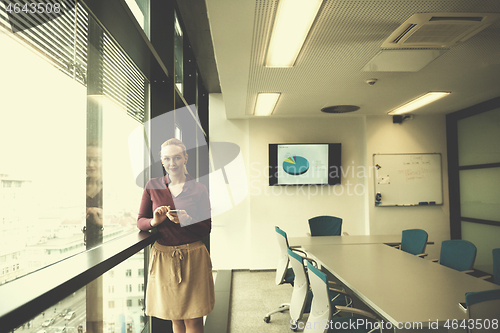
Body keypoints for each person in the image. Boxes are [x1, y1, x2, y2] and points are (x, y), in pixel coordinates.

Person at [137, 138, 214, 333]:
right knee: (176, 319)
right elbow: (140, 222)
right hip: (164, 258)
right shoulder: (152, 186)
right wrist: (155, 221)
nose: (172, 163)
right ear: (162, 161)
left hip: (193, 256)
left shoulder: (199, 189)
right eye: (167, 158)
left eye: (177, 157)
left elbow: (206, 228)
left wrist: (187, 220)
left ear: (185, 158)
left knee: (194, 320)